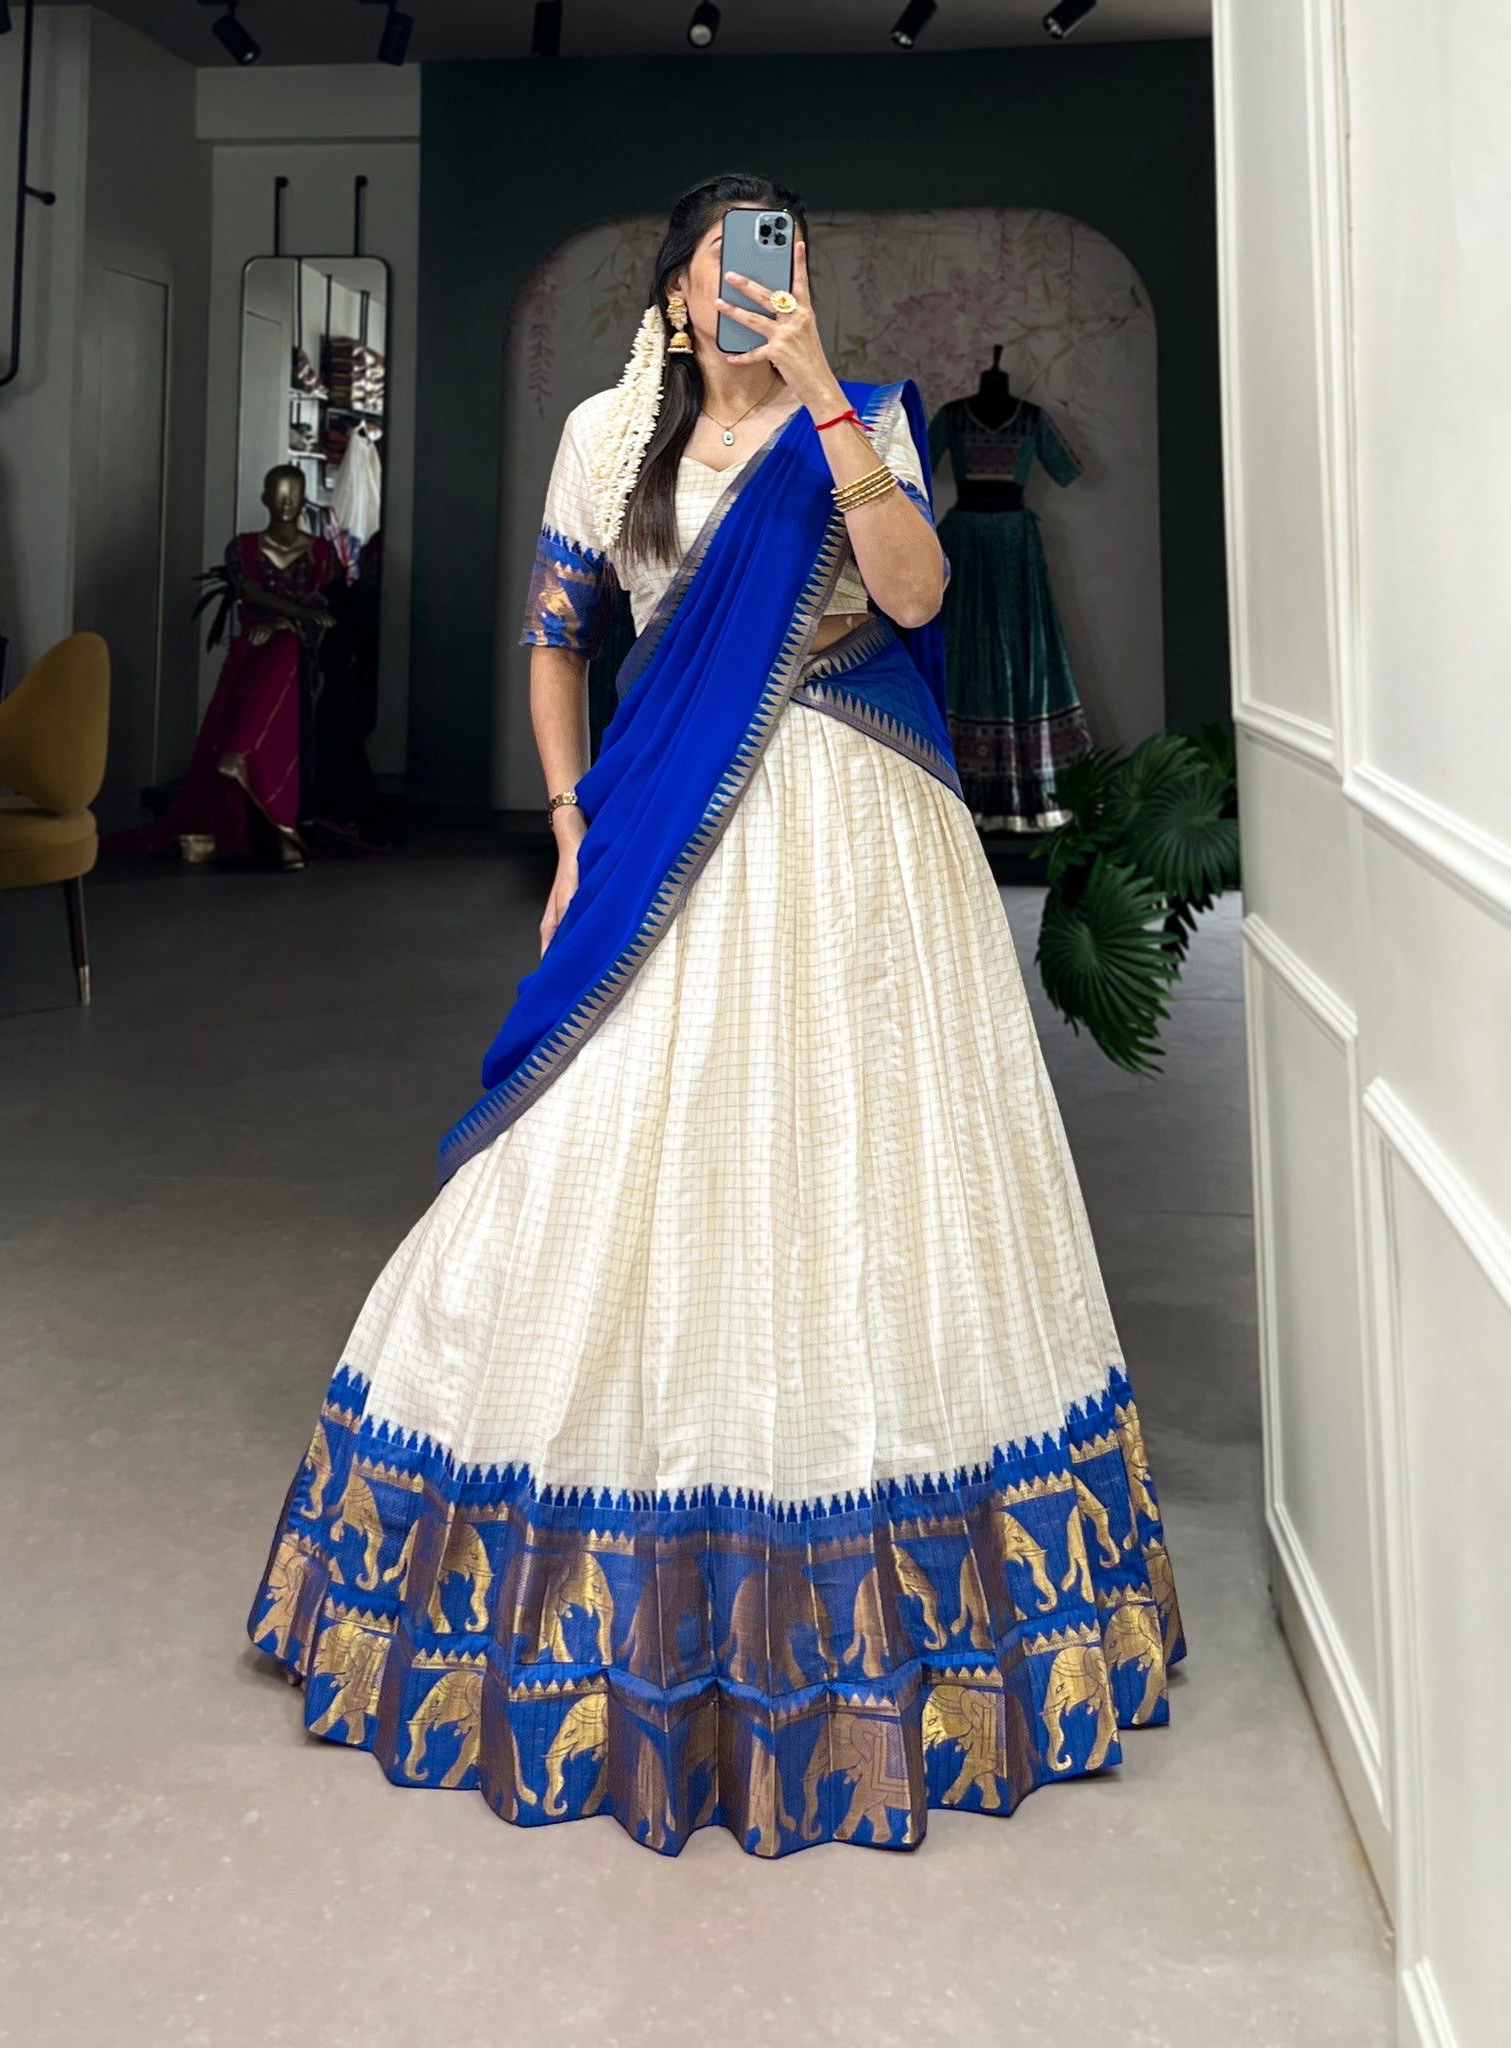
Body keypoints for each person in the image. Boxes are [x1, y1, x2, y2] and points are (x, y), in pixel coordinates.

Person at [247, 173, 1186, 1858]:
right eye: (728, 264)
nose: (757, 283)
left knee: (871, 1160)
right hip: (669, 829)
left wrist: (822, 390)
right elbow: (557, 645)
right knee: (611, 1137)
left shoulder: (865, 416)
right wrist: (566, 824)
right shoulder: (606, 438)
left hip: (867, 841)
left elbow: (917, 599)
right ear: (676, 293)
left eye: (784, 257)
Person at [108, 466, 337, 870]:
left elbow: (324, 610)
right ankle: (266, 805)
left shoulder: (321, 553)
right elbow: (251, 594)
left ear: (304, 499)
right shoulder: (243, 548)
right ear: (264, 497)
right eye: (278, 492)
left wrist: (285, 624)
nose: (286, 501)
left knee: (286, 652)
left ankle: (242, 755)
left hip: (296, 650)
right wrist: (292, 616)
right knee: (273, 660)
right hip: (254, 650)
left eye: (294, 493)